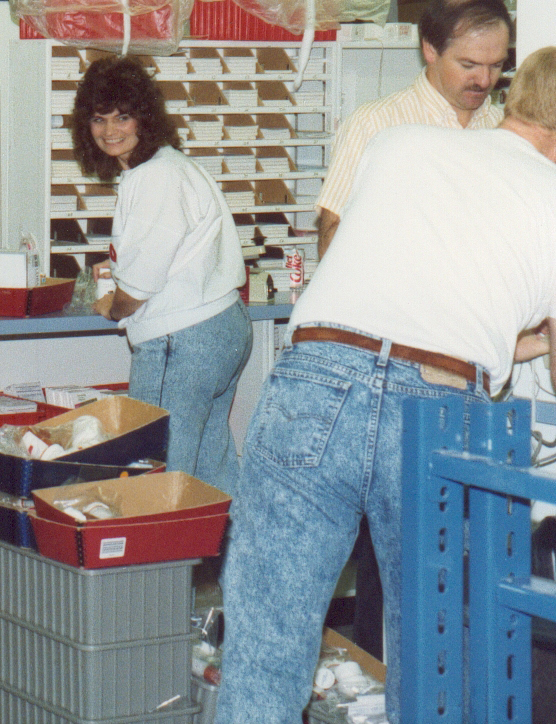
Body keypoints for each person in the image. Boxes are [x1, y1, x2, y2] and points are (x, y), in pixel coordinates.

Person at [215, 47, 556, 724]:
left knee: (266, 640)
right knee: (431, 647)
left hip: (315, 372)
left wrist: (503, 344)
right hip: (434, 405)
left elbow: (411, 285)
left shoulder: (400, 142)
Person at [73, 55, 250, 493]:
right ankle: (238, 558)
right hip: (222, 329)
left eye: (122, 117)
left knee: (152, 473)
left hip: (183, 342)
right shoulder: (171, 166)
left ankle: (159, 563)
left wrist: (113, 304)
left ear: (143, 118)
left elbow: (137, 290)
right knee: (211, 470)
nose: (110, 131)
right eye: (98, 119)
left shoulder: (154, 178)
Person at [314, 0, 509, 257]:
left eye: (497, 65)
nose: (485, 80)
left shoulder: (506, 131)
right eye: (468, 65)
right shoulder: (374, 125)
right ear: (430, 50)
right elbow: (333, 238)